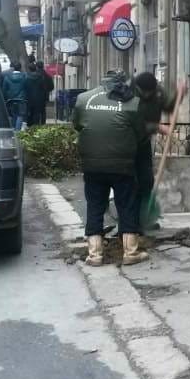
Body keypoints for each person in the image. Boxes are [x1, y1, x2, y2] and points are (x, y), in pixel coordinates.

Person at [72, 70, 148, 266]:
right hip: (123, 165)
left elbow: (77, 125)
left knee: (95, 206)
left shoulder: (83, 99)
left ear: (103, 81)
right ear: (122, 83)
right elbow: (141, 134)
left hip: (92, 165)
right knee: (127, 206)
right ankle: (130, 252)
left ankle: (95, 254)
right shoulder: (133, 102)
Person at [133, 72, 187, 230]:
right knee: (131, 183)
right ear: (139, 88)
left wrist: (179, 94)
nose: (148, 95)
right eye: (145, 92)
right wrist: (157, 127)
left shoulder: (157, 92)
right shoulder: (129, 94)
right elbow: (133, 122)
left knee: (147, 181)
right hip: (128, 143)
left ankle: (144, 220)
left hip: (144, 143)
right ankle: (131, 223)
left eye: (150, 92)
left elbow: (169, 106)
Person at [1, 62, 28, 131]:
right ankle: (17, 131)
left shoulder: (7, 77)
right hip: (21, 99)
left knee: (13, 115)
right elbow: (27, 87)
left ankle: (13, 130)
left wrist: (6, 98)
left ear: (13, 68)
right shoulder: (24, 76)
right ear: (20, 68)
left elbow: (4, 89)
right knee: (20, 115)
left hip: (11, 99)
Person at [25, 62, 47, 126]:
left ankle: (29, 126)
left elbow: (25, 87)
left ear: (29, 69)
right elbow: (44, 88)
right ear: (36, 68)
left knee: (29, 113)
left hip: (29, 98)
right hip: (39, 98)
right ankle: (36, 126)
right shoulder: (41, 77)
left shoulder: (26, 77)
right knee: (37, 114)